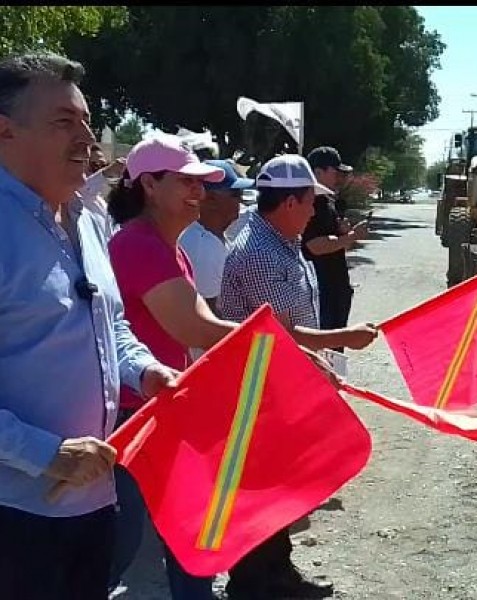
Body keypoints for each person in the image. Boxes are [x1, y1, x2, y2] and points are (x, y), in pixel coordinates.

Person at [0, 51, 177, 600]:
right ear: (5, 132)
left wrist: (146, 371)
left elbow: (113, 326)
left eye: (85, 120)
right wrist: (45, 454)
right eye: (63, 122)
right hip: (16, 515)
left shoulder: (88, 221)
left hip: (95, 503)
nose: (87, 137)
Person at [219, 153, 379, 600]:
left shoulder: (278, 239)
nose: (315, 211)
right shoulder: (258, 253)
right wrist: (337, 341)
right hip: (260, 390)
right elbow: (282, 333)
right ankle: (254, 583)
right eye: (311, 202)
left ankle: (277, 571)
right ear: (290, 202)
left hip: (277, 383)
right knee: (262, 488)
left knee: (278, 485)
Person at [106, 134, 238, 600]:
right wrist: (277, 345)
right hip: (132, 417)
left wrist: (293, 342)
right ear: (148, 185)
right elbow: (195, 328)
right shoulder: (138, 246)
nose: (199, 192)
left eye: (201, 184)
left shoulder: (168, 247)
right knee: (118, 548)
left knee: (190, 534)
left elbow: (206, 324)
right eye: (186, 181)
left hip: (160, 409)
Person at [179, 159, 255, 358]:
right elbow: (209, 318)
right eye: (235, 194)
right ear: (210, 198)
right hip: (204, 360)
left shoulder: (209, 237)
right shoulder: (203, 245)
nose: (240, 200)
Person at [304, 146, 369, 336]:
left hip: (334, 285)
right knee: (326, 346)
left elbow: (336, 245)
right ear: (318, 172)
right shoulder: (312, 203)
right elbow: (314, 245)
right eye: (335, 172)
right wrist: (352, 236)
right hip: (322, 288)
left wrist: (344, 235)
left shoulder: (326, 202)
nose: (340, 178)